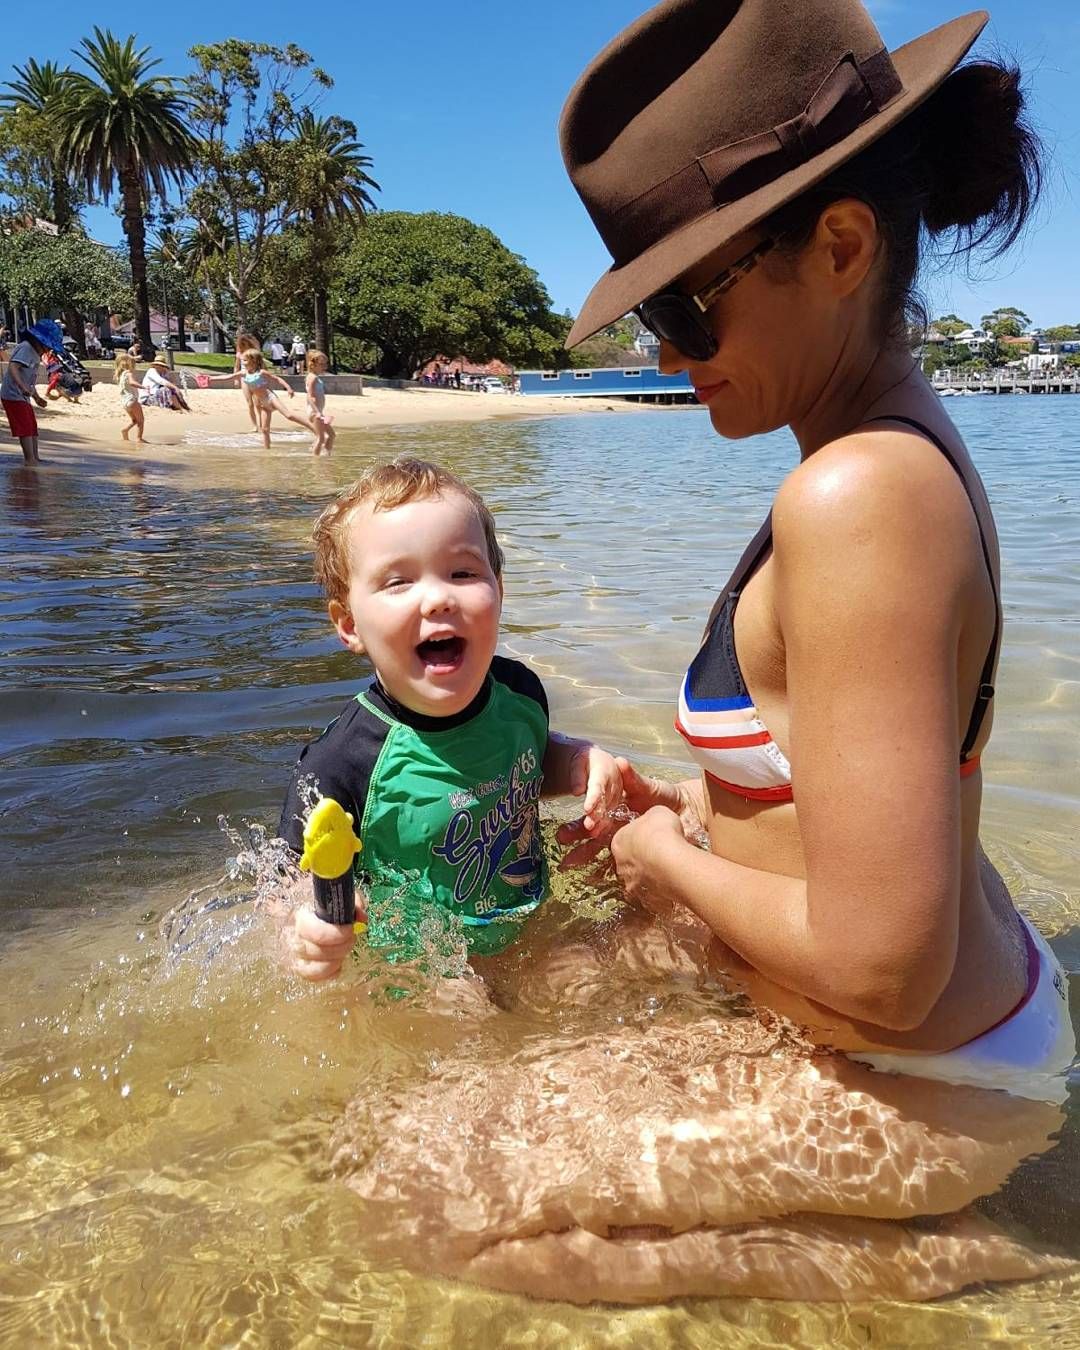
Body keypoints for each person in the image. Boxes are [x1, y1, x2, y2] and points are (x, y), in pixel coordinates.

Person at [338, 0, 1076, 1305]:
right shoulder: (881, 453)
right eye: (652, 318)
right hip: (950, 1011)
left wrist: (660, 857)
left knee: (408, 1193)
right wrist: (693, 804)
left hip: (923, 1074)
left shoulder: (857, 496)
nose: (668, 355)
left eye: (686, 305)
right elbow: (852, 776)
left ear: (839, 247)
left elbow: (885, 971)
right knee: (534, 979)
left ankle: (963, 1257)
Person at [278, 457, 622, 978]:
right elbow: (287, 882)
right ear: (349, 625)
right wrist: (305, 930)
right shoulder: (340, 764)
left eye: (463, 573)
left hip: (530, 922)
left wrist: (577, 760)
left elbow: (526, 761)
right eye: (398, 582)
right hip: (421, 967)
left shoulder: (521, 693)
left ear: (499, 590)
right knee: (461, 1010)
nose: (439, 597)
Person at [1, 324, 49, 464]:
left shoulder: (35, 353)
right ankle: (29, 459)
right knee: (25, 427)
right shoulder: (26, 348)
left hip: (22, 396)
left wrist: (36, 397)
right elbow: (13, 366)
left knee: (32, 426)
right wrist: (22, 387)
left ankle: (35, 457)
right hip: (12, 394)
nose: (48, 349)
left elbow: (29, 380)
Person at [304, 349, 335, 455]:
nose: (324, 367)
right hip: (314, 412)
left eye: (325, 364)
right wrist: (317, 412)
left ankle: (326, 455)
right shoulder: (312, 378)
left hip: (318, 411)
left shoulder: (315, 377)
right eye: (321, 364)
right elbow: (310, 396)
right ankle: (315, 459)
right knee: (321, 438)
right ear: (312, 365)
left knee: (331, 435)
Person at [115, 351, 145, 447]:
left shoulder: (120, 375)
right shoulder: (128, 373)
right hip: (132, 400)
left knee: (134, 420)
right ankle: (139, 438)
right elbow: (132, 382)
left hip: (125, 402)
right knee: (141, 420)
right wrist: (142, 387)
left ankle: (125, 430)